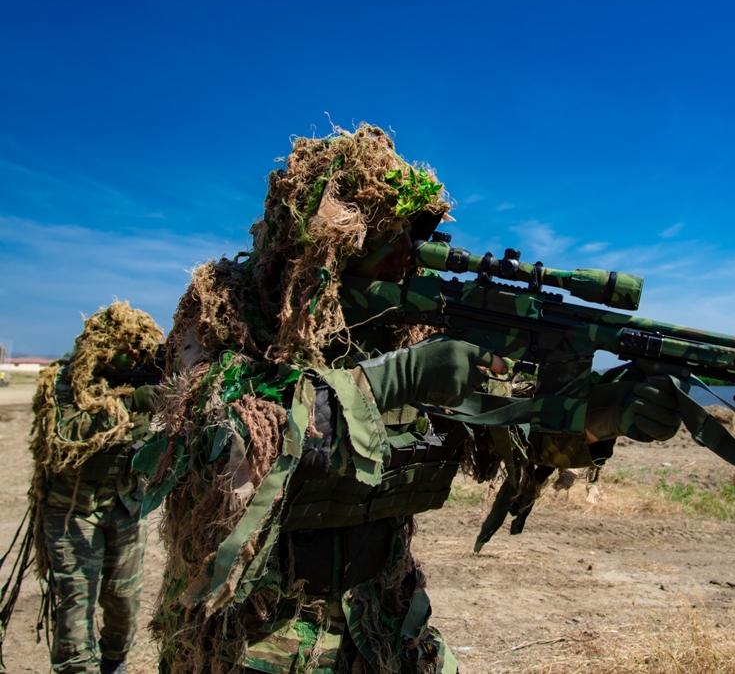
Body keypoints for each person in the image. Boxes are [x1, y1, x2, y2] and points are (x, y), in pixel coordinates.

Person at [146, 125, 688, 674]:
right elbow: (219, 439)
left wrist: (604, 416)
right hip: (255, 637)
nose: (411, 253)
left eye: (414, 235)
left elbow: (512, 431)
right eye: (391, 235)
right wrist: (392, 381)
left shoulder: (409, 330)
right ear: (332, 242)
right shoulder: (230, 315)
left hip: (382, 623)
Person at [29, 302, 164, 674]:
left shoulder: (142, 378)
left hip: (123, 504)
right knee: (76, 601)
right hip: (73, 509)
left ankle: (114, 664)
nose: (132, 358)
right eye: (124, 350)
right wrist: (125, 405)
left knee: (124, 600)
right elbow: (65, 435)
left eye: (140, 351)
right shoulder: (66, 380)